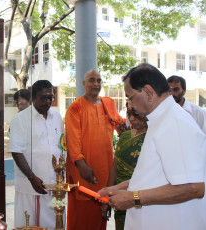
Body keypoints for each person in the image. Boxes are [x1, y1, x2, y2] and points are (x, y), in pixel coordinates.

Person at [99, 63, 206, 230]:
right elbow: (155, 176)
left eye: (130, 97)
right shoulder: (160, 120)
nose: (130, 105)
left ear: (148, 92)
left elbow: (192, 187)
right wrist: (118, 188)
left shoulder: (175, 123)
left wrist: (133, 198)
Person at [65, 69, 125, 230]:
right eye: (92, 80)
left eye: (99, 81)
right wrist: (81, 164)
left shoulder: (108, 103)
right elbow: (73, 139)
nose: (96, 84)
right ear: (84, 83)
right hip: (83, 170)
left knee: (101, 212)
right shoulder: (75, 108)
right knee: (81, 216)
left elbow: (120, 123)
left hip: (105, 170)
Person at [7, 80, 64, 229]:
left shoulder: (57, 117)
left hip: (53, 185)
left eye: (50, 97)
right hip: (31, 187)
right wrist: (32, 177)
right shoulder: (21, 119)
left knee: (54, 224)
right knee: (30, 225)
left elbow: (61, 147)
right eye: (43, 97)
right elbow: (16, 151)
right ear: (33, 98)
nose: (47, 101)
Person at [109, 105, 147, 230]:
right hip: (120, 196)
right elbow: (114, 168)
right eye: (129, 114)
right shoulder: (124, 137)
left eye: (135, 114)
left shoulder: (153, 137)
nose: (132, 119)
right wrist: (108, 195)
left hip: (143, 198)